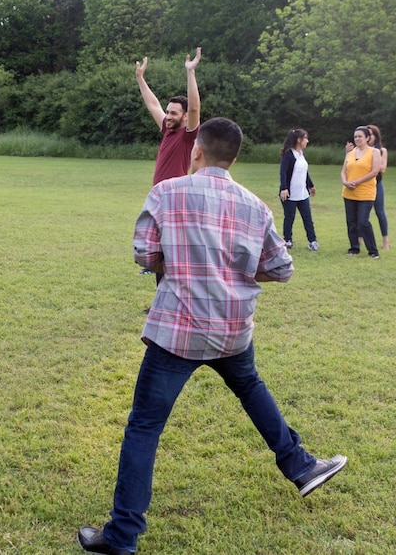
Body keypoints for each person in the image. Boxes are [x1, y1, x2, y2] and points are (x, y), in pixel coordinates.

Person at [76, 118, 347, 555]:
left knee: (144, 427)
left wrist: (181, 267)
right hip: (232, 328)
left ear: (196, 150)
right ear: (234, 158)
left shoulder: (166, 193)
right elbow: (282, 268)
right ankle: (300, 465)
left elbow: (144, 254)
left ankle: (123, 536)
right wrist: (233, 273)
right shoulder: (255, 206)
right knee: (250, 387)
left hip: (177, 330)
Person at [135, 48, 202, 292]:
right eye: (168, 112)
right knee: (161, 249)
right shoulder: (167, 129)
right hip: (160, 197)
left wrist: (190, 72)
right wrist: (140, 78)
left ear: (184, 117)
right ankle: (163, 299)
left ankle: (172, 299)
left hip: (175, 198)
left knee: (170, 250)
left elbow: (194, 109)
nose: (168, 116)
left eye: (174, 113)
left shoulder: (187, 135)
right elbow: (153, 104)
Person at [341, 126, 384, 258]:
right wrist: (345, 182)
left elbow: (375, 171)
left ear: (367, 138)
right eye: (355, 137)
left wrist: (357, 182)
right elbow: (343, 171)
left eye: (360, 136)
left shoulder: (374, 152)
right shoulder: (351, 153)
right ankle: (354, 248)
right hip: (349, 192)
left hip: (365, 193)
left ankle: (373, 251)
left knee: (363, 222)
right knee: (351, 221)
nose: (357, 139)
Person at [278, 128, 318, 251]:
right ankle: (287, 240)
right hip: (290, 194)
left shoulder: (301, 154)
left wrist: (311, 185)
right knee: (289, 217)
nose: (307, 141)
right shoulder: (289, 155)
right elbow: (283, 172)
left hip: (303, 193)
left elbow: (305, 172)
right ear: (299, 140)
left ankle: (312, 241)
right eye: (305, 138)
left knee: (308, 218)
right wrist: (284, 188)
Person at [367, 125, 390, 250]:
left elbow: (382, 168)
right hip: (364, 185)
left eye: (371, 134)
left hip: (377, 184)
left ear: (376, 136)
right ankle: (360, 239)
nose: (369, 136)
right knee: (363, 213)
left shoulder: (381, 150)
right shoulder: (361, 150)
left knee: (380, 212)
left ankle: (385, 240)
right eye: (367, 134)